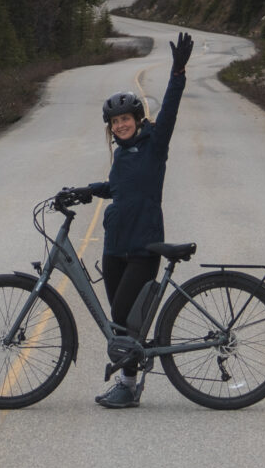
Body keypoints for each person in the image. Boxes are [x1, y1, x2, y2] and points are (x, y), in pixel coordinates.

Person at [62, 31, 193, 409]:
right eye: (115, 122)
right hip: (115, 244)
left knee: (122, 316)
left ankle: (128, 384)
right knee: (121, 328)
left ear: (138, 119)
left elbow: (170, 108)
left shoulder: (155, 142)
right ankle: (128, 386)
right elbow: (121, 188)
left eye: (126, 119)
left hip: (143, 246)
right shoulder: (121, 155)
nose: (120, 125)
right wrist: (88, 190)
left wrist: (178, 72)